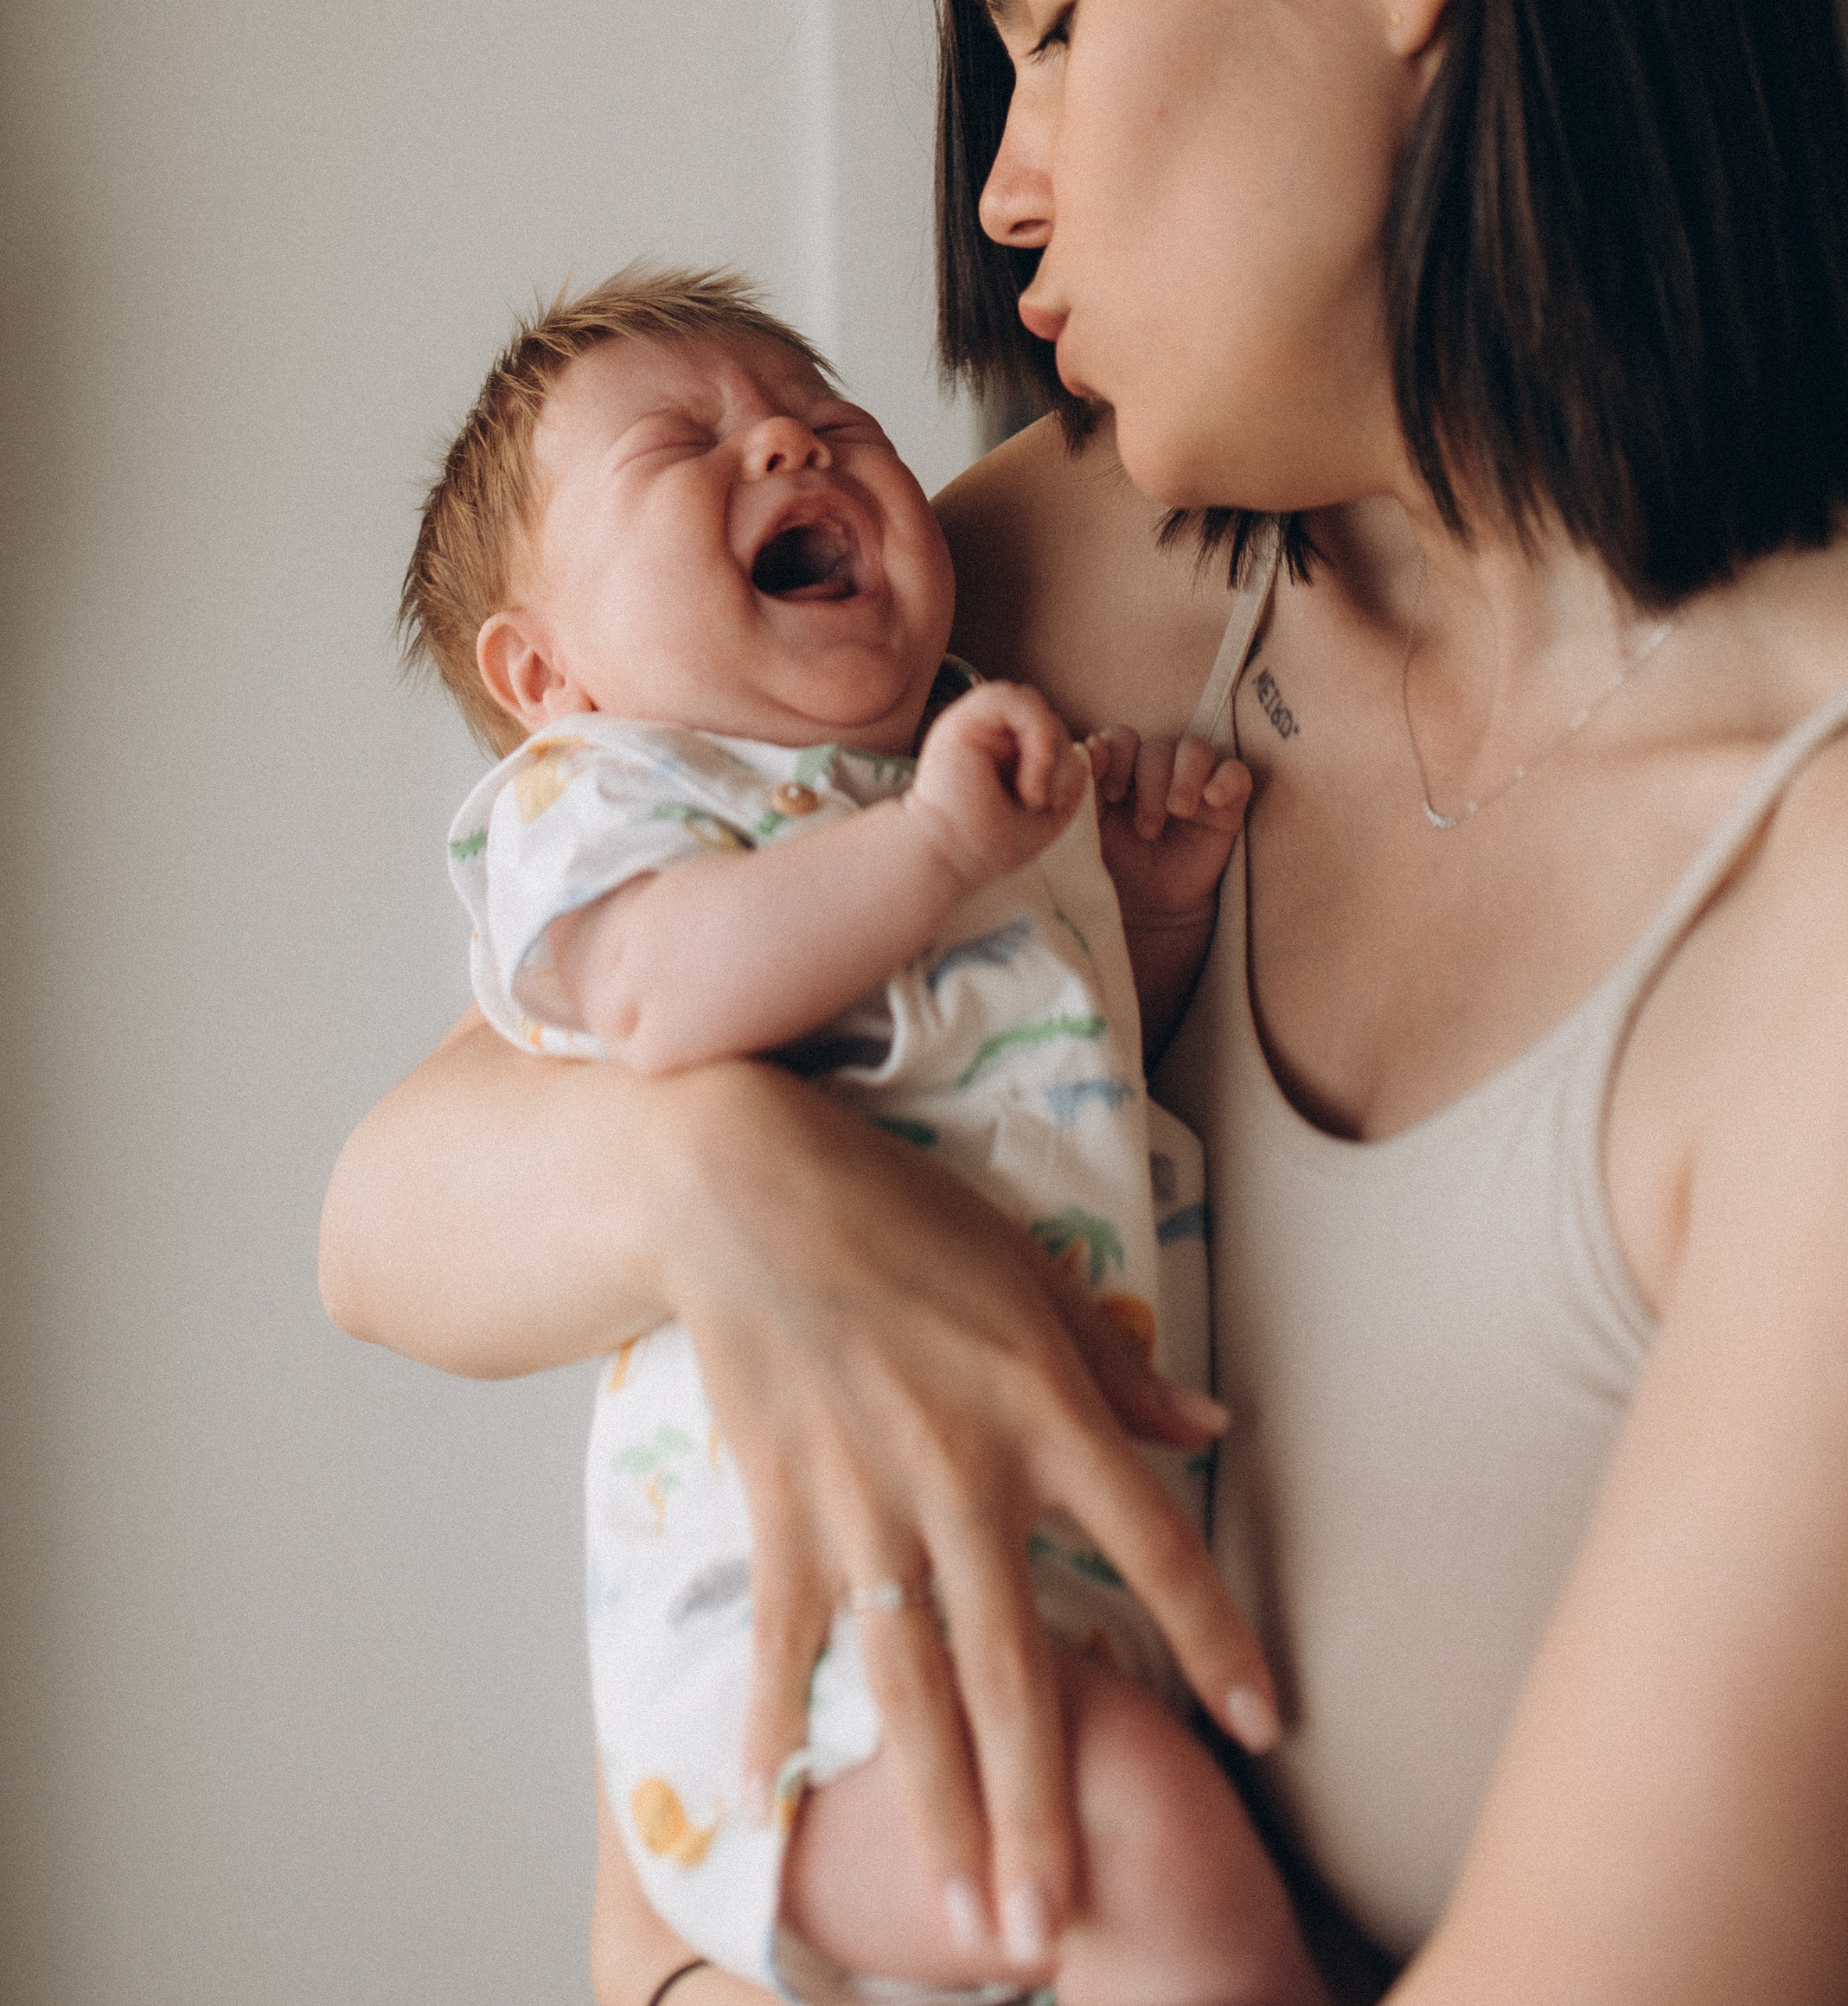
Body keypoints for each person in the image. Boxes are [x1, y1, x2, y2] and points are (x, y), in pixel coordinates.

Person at [323, 0, 1848, 2006]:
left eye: (1059, 22)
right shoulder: (1100, 572)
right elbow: (397, 1205)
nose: (1002, 193)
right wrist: (727, 1187)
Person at [395, 265, 1313, 2004]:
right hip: (799, 1624)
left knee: (1131, 1857)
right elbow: (659, 1000)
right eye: (683, 444)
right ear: (548, 672)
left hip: (1031, 1569)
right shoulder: (607, 801)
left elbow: (1047, 1078)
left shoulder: (952, 769)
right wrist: (944, 853)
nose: (786, 446)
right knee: (1148, 1869)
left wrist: (1134, 916)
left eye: (826, 416)